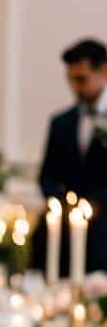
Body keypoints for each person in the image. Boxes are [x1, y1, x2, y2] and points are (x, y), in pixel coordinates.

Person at [38, 38, 107, 273]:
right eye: (70, 79)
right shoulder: (60, 122)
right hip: (64, 236)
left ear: (104, 72)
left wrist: (93, 205)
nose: (75, 87)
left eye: (82, 79)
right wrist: (64, 201)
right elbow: (46, 176)